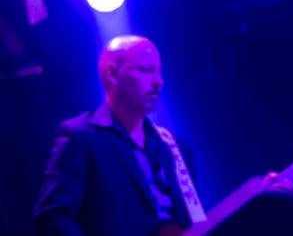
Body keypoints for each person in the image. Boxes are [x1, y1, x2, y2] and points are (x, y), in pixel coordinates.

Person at [33, 35, 204, 236]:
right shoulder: (81, 138)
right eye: (146, 70)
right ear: (112, 74)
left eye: (158, 71)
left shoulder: (175, 146)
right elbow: (52, 217)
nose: (158, 81)